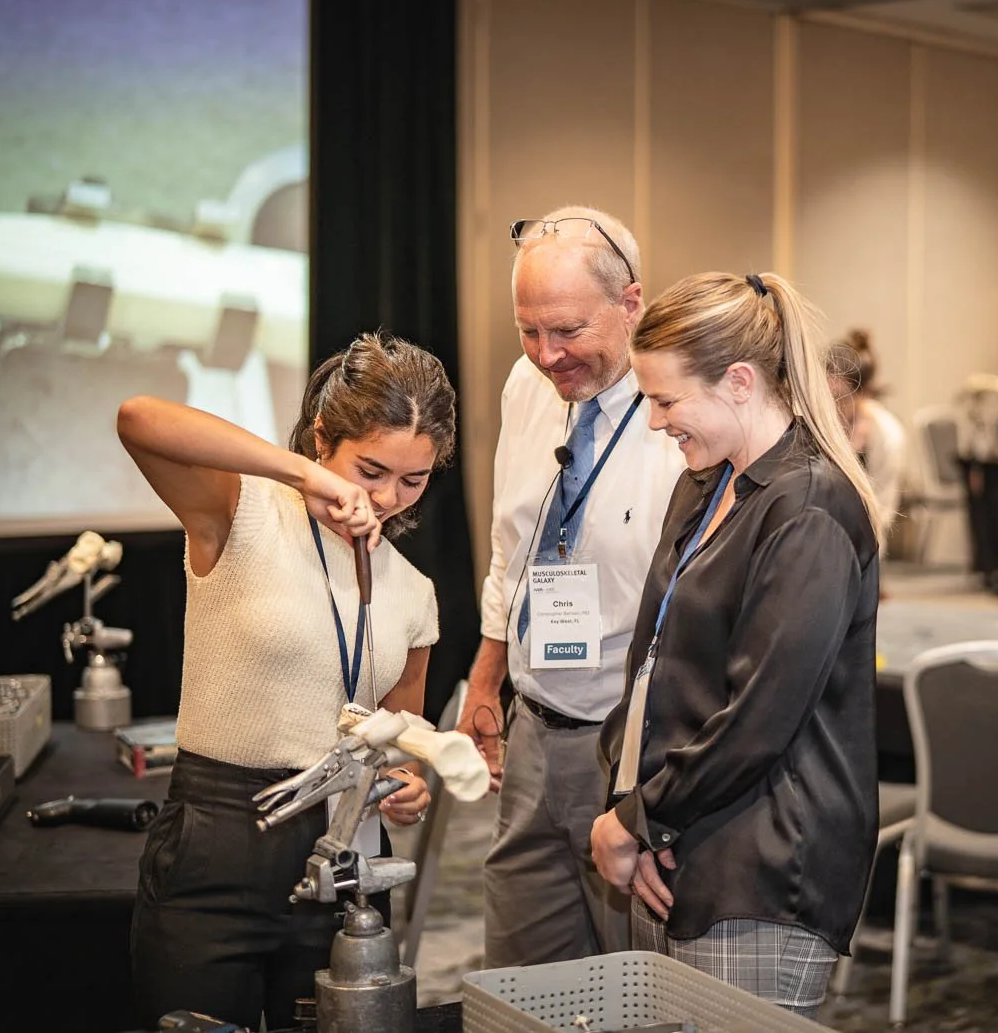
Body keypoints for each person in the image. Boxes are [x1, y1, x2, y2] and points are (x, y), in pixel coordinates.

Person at [118, 333, 456, 1030]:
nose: (389, 497)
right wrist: (300, 475)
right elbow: (138, 418)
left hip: (347, 858)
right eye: (370, 469)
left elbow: (396, 739)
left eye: (413, 478)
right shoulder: (241, 514)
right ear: (322, 439)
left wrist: (408, 785)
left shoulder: (415, 592)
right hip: (217, 841)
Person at [589, 271, 882, 1018]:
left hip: (763, 869)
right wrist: (644, 812)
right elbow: (668, 669)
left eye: (665, 400)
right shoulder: (711, 481)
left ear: (740, 382)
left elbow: (759, 716)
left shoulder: (809, 507)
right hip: (689, 842)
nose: (655, 423)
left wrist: (635, 821)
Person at [456, 206, 684, 967]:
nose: (547, 355)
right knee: (520, 982)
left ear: (630, 305)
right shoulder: (526, 386)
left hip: (626, 748)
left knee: (633, 982)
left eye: (567, 330)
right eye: (528, 330)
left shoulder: (677, 421)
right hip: (532, 734)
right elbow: (509, 544)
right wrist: (486, 678)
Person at [827, 328, 907, 547]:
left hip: (862, 543)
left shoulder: (888, 436)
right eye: (824, 396)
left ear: (864, 394)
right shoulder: (816, 421)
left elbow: (881, 515)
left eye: (839, 398)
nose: (831, 407)